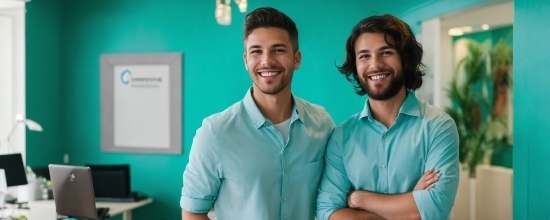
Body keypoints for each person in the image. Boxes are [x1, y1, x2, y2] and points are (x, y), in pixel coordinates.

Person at [180, 7, 335, 220]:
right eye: (256, 51)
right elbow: (192, 213)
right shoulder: (214, 133)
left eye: (278, 50)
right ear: (246, 60)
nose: (266, 61)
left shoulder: (323, 124)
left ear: (296, 59)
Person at [317, 14, 459, 220]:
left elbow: (434, 208)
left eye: (386, 52)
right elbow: (327, 213)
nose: (375, 64)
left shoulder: (438, 127)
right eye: (364, 56)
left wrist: (359, 200)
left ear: (405, 59)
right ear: (355, 67)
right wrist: (410, 203)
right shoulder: (341, 136)